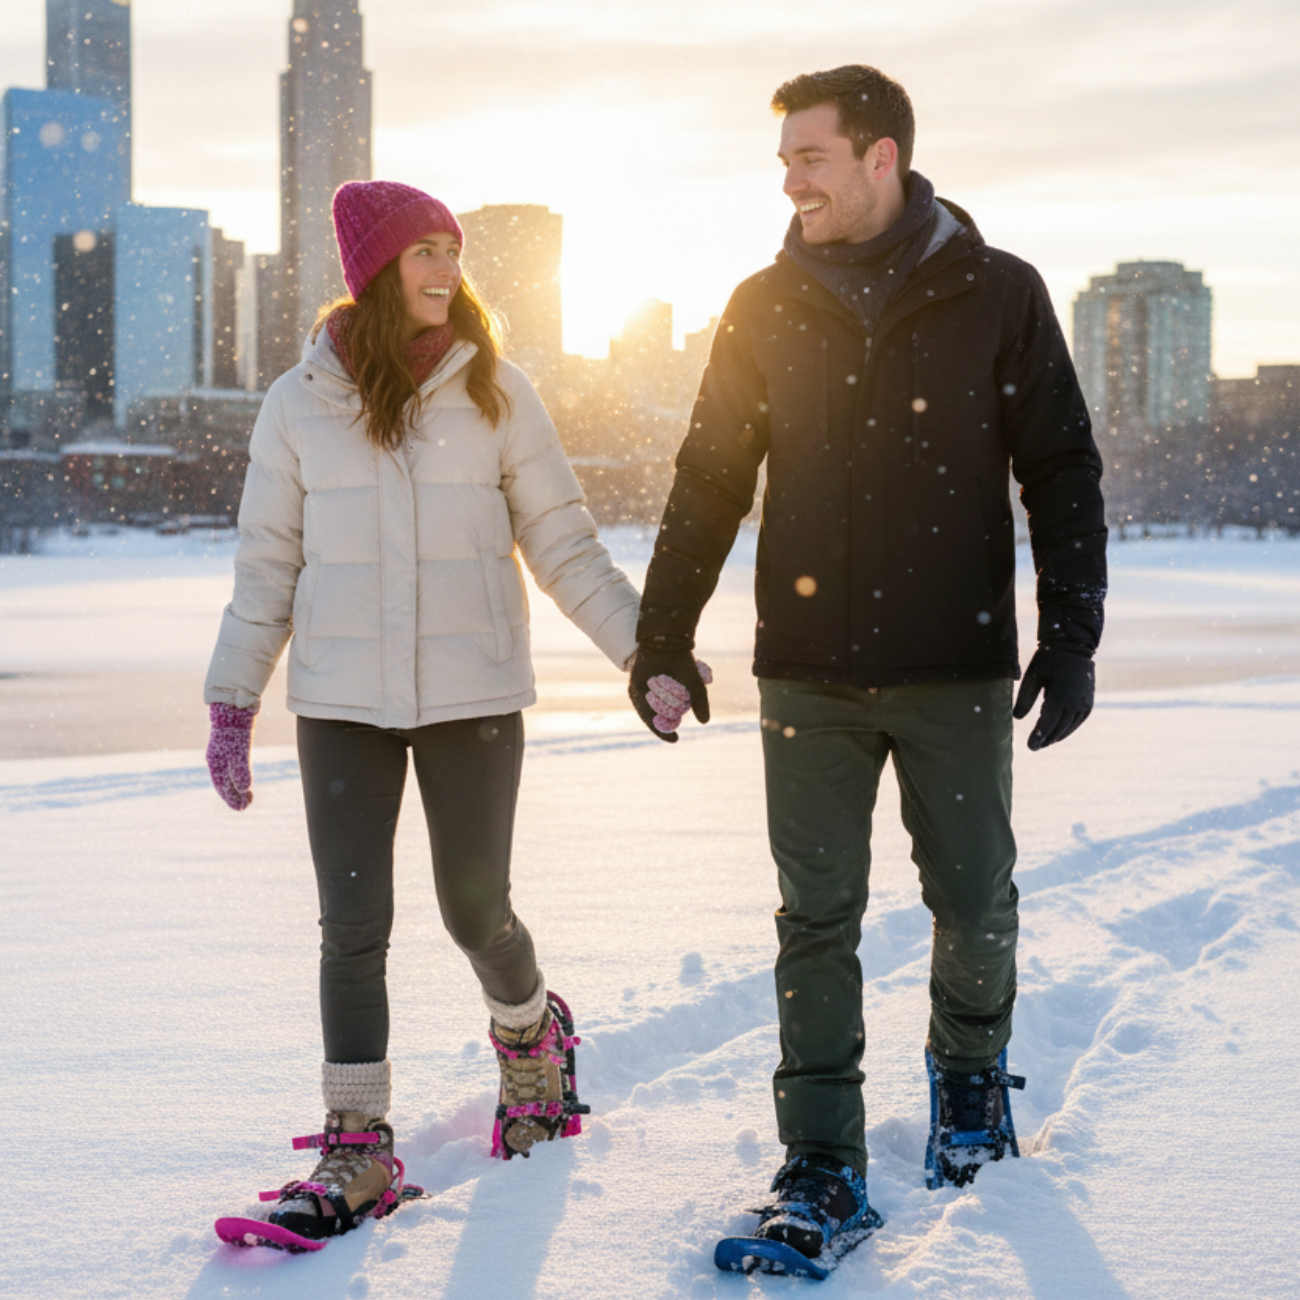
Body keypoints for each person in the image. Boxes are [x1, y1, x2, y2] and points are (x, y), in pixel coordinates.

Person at [630, 65, 1106, 1265]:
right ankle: (824, 1160)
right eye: (784, 158)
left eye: (810, 157)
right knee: (815, 920)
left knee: (975, 901)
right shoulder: (761, 303)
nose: (788, 180)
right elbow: (708, 478)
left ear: (880, 156)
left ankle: (967, 1086)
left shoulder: (997, 294)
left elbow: (1059, 463)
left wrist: (1071, 629)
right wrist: (662, 632)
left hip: (954, 667)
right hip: (808, 674)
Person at [204, 180, 641, 1243]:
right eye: (423, 253)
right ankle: (358, 1146)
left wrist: (644, 651)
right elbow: (269, 562)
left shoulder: (498, 391)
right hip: (341, 703)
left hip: (472, 697)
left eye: (452, 249)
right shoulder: (298, 402)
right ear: (373, 271)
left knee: (473, 910)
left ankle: (532, 1039)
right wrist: (233, 695)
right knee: (350, 928)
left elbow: (563, 540)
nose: (446, 269)